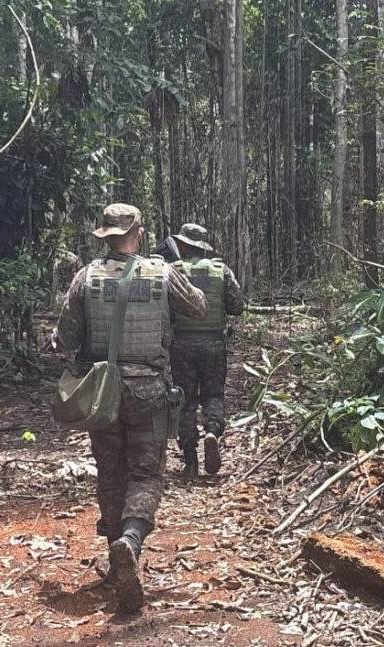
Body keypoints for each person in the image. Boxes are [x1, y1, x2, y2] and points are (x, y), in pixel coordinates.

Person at [53, 203, 207, 614]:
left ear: (104, 235)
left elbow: (65, 339)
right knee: (146, 472)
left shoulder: (84, 278)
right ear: (138, 232)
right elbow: (199, 308)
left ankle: (115, 556)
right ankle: (131, 542)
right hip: (148, 388)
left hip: (103, 392)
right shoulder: (162, 272)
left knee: (110, 472)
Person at [168, 223, 246, 478]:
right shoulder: (220, 270)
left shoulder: (173, 272)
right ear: (203, 248)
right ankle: (212, 431)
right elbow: (237, 306)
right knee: (213, 394)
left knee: (185, 400)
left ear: (183, 245)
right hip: (213, 344)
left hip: (182, 344)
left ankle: (190, 461)